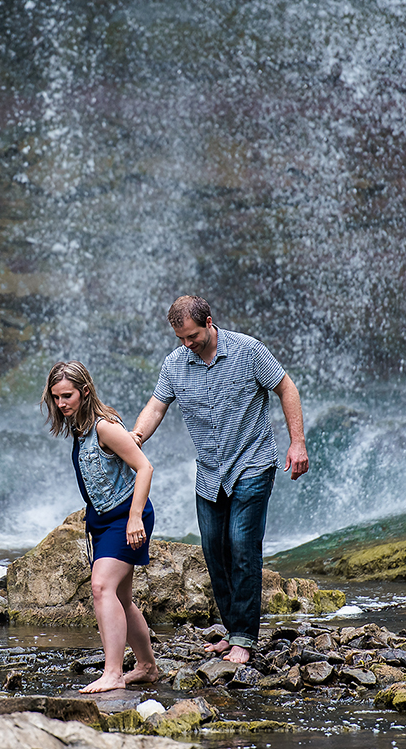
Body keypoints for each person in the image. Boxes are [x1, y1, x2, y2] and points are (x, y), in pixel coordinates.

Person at [131, 296, 308, 665]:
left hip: (252, 462)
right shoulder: (175, 365)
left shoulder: (248, 351)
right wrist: (134, 439)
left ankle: (244, 638)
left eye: (192, 336)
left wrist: (297, 443)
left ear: (209, 322)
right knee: (214, 550)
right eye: (180, 338)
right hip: (210, 471)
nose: (187, 344)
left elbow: (286, 388)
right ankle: (231, 632)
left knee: (242, 544)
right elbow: (156, 406)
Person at [43, 360, 161, 693]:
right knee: (121, 597)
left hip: (126, 518)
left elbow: (145, 467)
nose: (62, 404)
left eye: (67, 396)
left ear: (85, 391)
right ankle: (147, 666)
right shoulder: (79, 429)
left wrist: (135, 516)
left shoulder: (104, 427)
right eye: (56, 398)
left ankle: (112, 673)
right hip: (101, 520)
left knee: (101, 587)